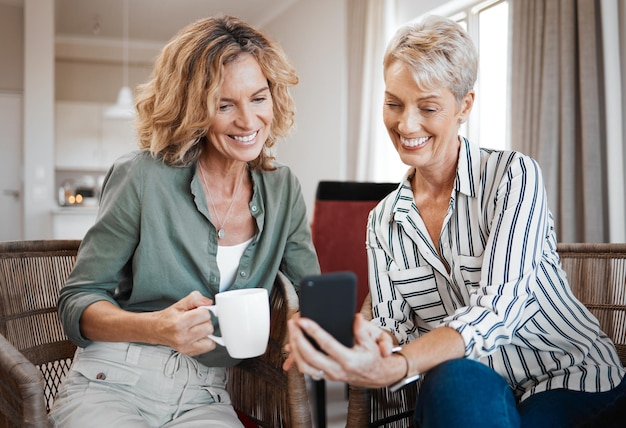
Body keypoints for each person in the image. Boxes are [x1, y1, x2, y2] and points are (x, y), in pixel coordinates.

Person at [284, 15, 626, 427]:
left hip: (567, 376)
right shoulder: (383, 222)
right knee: (452, 378)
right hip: (476, 379)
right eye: (393, 104)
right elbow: (394, 325)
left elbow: (498, 308)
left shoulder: (512, 176)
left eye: (427, 107)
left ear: (464, 106)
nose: (405, 125)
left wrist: (399, 365)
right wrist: (367, 341)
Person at [49, 15, 320, 427]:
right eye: (224, 104)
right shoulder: (142, 176)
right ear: (193, 108)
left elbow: (309, 294)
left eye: (258, 98)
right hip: (114, 379)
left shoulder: (283, 189)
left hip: (205, 393)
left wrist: (305, 324)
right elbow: (77, 301)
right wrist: (157, 327)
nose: (248, 121)